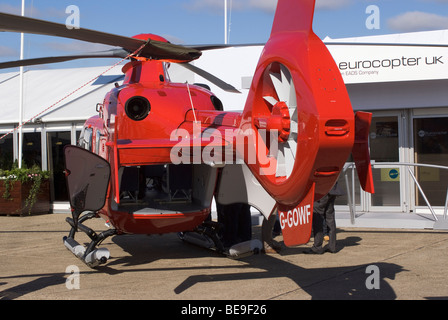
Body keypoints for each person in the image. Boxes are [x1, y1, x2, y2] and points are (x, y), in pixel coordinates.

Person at [304, 181, 343, 254]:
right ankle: (332, 246)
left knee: (317, 217)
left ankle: (317, 247)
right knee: (330, 218)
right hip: (332, 188)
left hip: (322, 188)